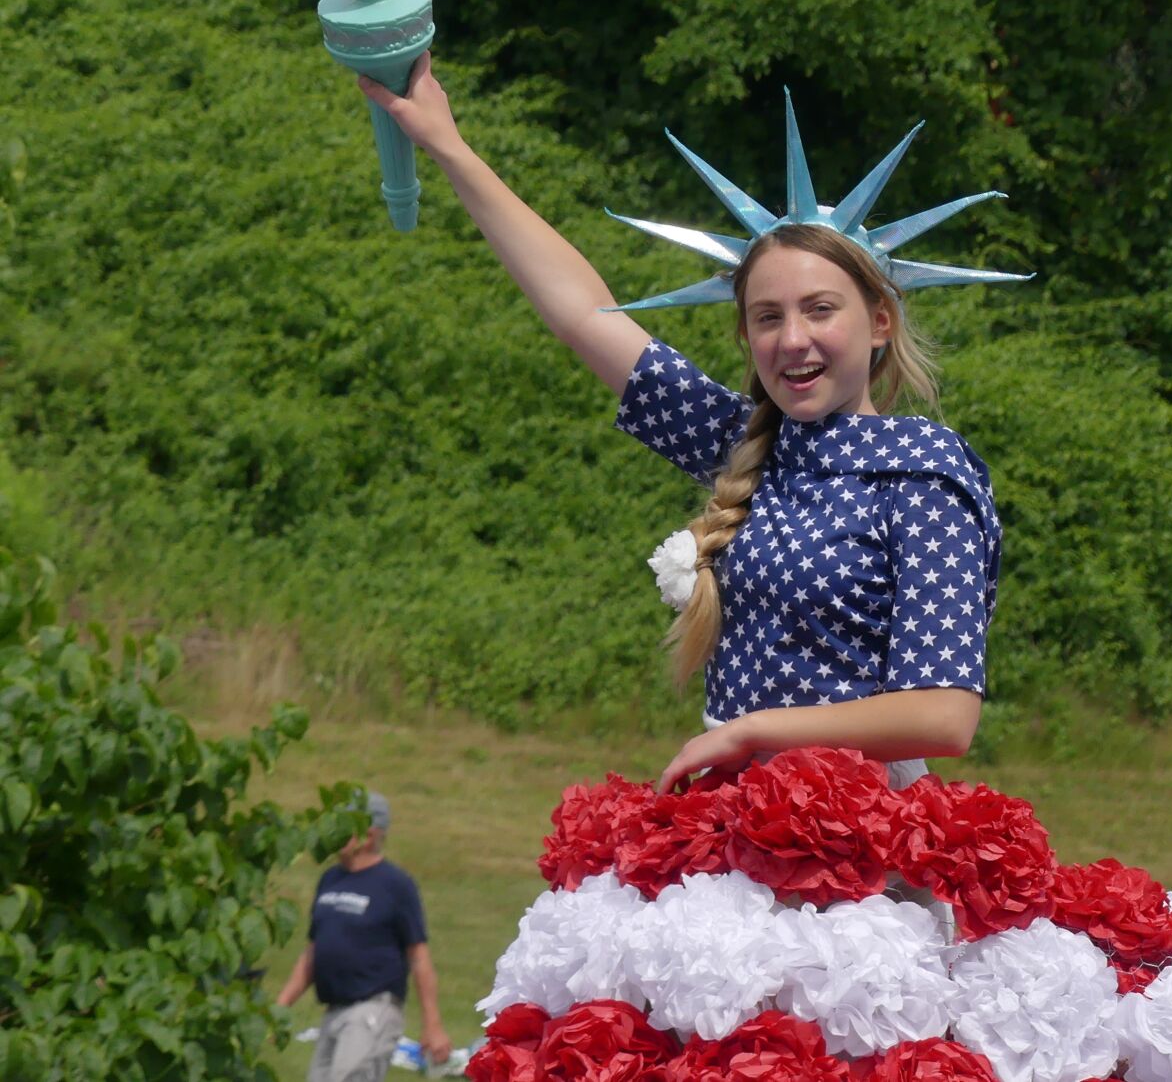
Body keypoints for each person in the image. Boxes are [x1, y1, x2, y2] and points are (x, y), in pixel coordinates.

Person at [356, 57, 1022, 795]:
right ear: (745, 335)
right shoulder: (745, 444)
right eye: (767, 317)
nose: (791, 338)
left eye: (820, 309)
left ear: (880, 320)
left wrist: (752, 729)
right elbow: (583, 315)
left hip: (860, 837)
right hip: (731, 812)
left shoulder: (924, 472)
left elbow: (945, 714)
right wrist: (449, 146)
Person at [276, 790, 453, 1080]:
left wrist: (432, 1024)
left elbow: (418, 956)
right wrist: (280, 1008)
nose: (332, 833)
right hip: (333, 1011)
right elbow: (313, 952)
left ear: (368, 834)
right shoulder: (330, 879)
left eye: (342, 826)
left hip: (372, 1010)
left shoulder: (395, 885)